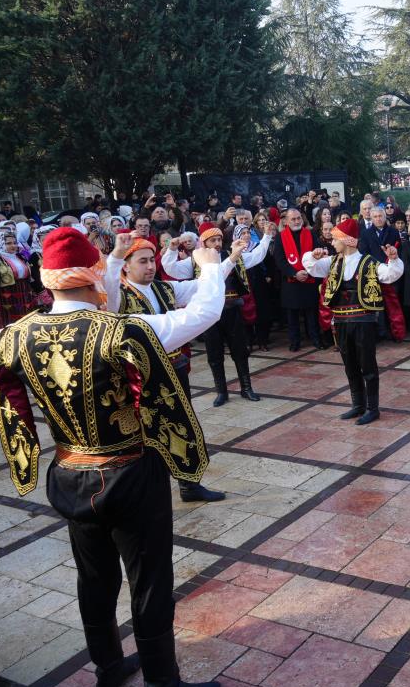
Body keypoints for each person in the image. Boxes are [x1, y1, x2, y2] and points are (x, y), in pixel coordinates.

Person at [0, 227, 224, 687]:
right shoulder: (125, 330)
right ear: (96, 279)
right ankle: (162, 684)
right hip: (131, 471)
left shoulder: (14, 336)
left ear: (48, 282)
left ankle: (108, 668)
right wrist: (211, 265)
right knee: (149, 580)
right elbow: (205, 312)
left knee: (94, 578)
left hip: (69, 474)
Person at [104, 232, 227, 503]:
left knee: (183, 422)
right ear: (126, 265)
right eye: (142, 261)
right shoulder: (118, 296)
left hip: (175, 368)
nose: (150, 266)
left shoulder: (164, 287)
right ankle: (149, 488)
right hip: (141, 375)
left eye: (152, 260)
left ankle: (189, 483)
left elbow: (201, 287)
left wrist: (218, 264)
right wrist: (114, 257)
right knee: (146, 431)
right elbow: (108, 290)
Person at [302, 218, 404, 425]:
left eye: (335, 239)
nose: (332, 242)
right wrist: (312, 255)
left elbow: (390, 275)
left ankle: (372, 408)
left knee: (367, 365)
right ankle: (357, 405)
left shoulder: (368, 262)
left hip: (363, 320)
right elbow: (311, 267)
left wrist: (393, 259)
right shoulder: (332, 262)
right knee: (349, 365)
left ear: (348, 241)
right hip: (340, 321)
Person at [162, 222, 273, 406]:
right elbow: (171, 269)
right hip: (209, 316)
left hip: (232, 310)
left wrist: (267, 236)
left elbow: (257, 255)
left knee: (240, 351)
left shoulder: (234, 255)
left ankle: (247, 388)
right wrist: (172, 250)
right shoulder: (195, 260)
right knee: (214, 354)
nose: (217, 243)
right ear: (204, 243)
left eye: (219, 239)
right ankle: (221, 391)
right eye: (212, 240)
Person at [273, 208, 323, 352]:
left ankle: (315, 339)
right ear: (287, 221)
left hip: (309, 278)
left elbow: (316, 253)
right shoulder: (280, 237)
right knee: (292, 315)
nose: (296, 221)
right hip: (291, 281)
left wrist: (307, 271)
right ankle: (295, 341)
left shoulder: (310, 234)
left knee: (311, 313)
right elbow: (280, 260)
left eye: (298, 218)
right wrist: (294, 273)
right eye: (293, 219)